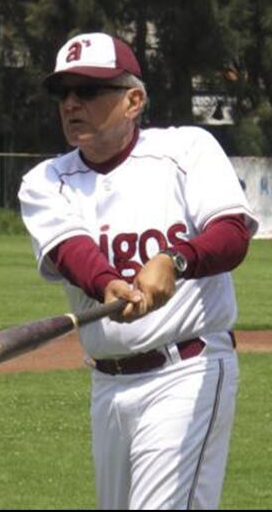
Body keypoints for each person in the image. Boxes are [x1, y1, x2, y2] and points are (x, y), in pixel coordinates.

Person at [18, 31, 257, 510]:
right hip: (107, 384)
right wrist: (110, 284)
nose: (71, 103)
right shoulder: (45, 180)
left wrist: (174, 259)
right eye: (62, 93)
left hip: (186, 370)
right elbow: (71, 251)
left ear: (134, 100)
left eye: (88, 90)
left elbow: (231, 233)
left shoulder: (186, 150)